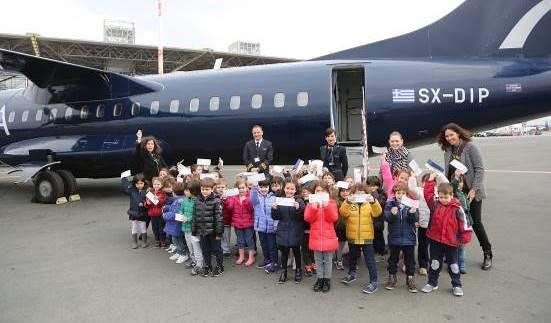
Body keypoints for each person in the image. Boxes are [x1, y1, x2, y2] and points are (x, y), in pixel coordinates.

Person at [438, 122, 493, 270]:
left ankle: (487, 253)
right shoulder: (448, 150)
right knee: (454, 224)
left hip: (471, 192)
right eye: (447, 136)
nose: (449, 138)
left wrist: (474, 189)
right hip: (455, 191)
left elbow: (480, 170)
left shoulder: (470, 147)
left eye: (451, 135)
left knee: (475, 223)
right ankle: (453, 255)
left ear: (458, 133)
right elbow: (448, 172)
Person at [422, 174, 472, 297]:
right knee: (434, 263)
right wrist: (430, 180)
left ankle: (457, 285)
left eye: (446, 197)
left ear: (452, 196)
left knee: (453, 265)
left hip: (451, 242)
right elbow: (428, 194)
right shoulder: (435, 204)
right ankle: (432, 282)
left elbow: (465, 224)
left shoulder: (457, 208)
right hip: (435, 240)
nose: (443, 199)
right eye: (441, 197)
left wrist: (464, 238)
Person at [339, 184, 383, 294]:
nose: (359, 195)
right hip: (352, 236)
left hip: (367, 236)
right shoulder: (350, 203)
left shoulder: (369, 204)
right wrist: (348, 201)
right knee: (352, 257)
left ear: (366, 194)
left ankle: (374, 282)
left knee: (370, 261)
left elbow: (378, 212)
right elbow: (343, 213)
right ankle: (351, 274)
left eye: (362, 193)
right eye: (357, 193)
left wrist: (373, 201)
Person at [384, 182, 419, 293]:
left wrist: (412, 213)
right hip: (394, 238)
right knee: (393, 260)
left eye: (403, 193)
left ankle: (410, 279)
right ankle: (392, 277)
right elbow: (386, 218)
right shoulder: (390, 204)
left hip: (409, 239)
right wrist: (392, 214)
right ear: (395, 193)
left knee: (410, 261)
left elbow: (414, 220)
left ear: (407, 194)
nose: (400, 195)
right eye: (398, 193)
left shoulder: (411, 204)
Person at [304, 181, 339, 293]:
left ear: (327, 192)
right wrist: (313, 208)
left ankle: (327, 280)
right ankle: (319, 279)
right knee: (318, 260)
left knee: (328, 260)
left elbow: (333, 218)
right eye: (317, 191)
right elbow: (307, 218)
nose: (320, 193)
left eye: (323, 191)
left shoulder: (331, 203)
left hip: (328, 236)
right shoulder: (311, 204)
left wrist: (327, 206)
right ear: (314, 192)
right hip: (316, 236)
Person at [272, 180, 305, 284]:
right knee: (284, 253)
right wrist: (274, 209)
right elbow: (275, 217)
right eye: (288, 188)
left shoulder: (299, 201)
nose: (289, 191)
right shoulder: (280, 200)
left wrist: (298, 209)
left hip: (295, 229)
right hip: (283, 229)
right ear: (284, 189)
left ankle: (299, 271)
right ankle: (284, 271)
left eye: (292, 189)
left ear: (295, 190)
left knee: (296, 252)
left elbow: (302, 217)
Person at [192, 178, 224, 277]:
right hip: (202, 231)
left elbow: (219, 218)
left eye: (207, 189)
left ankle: (219, 266)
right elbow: (194, 216)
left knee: (217, 249)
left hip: (214, 232)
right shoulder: (197, 200)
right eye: (203, 189)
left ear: (212, 189)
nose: (204, 191)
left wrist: (219, 233)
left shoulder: (216, 201)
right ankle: (208, 266)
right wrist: (194, 231)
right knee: (205, 250)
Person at [223, 179, 255, 267]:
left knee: (249, 240)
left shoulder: (250, 197)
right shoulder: (234, 197)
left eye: (243, 188)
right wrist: (225, 200)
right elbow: (229, 207)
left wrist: (245, 200)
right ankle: (241, 256)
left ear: (247, 188)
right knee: (240, 241)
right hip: (237, 223)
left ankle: (251, 257)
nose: (241, 190)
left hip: (248, 223)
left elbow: (251, 209)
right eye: (239, 188)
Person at [251, 180, 278, 273]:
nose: (263, 189)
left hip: (271, 227)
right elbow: (253, 197)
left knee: (272, 246)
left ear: (269, 188)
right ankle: (267, 259)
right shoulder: (256, 198)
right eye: (261, 187)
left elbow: (276, 213)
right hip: (261, 227)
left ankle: (274, 262)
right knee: (264, 244)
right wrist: (254, 187)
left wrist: (275, 225)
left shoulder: (273, 197)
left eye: (265, 187)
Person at [407, 172, 432, 276]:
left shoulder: (436, 193)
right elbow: (412, 189)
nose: (427, 184)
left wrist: (437, 175)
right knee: (423, 245)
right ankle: (423, 265)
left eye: (430, 182)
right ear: (422, 183)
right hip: (423, 225)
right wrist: (412, 177)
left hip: (434, 225)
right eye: (425, 182)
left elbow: (446, 184)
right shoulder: (420, 193)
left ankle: (434, 265)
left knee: (435, 247)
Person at [180, 180, 204, 276]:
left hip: (194, 229)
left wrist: (188, 219)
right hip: (186, 228)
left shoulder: (198, 201)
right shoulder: (185, 200)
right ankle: (193, 260)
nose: (185, 192)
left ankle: (199, 264)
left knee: (196, 247)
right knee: (190, 246)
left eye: (188, 190)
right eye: (185, 190)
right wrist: (181, 215)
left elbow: (199, 215)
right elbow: (181, 210)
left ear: (194, 191)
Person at [163, 182, 188, 264]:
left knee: (177, 240)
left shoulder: (178, 201)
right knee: (175, 239)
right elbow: (173, 209)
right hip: (176, 224)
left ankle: (183, 254)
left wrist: (165, 215)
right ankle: (179, 252)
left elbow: (174, 213)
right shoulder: (179, 200)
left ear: (174, 192)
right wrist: (167, 207)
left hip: (176, 224)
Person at [121, 173, 148, 249]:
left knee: (143, 227)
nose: (139, 185)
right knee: (134, 227)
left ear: (144, 183)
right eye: (137, 183)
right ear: (134, 183)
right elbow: (125, 188)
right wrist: (123, 178)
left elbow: (150, 201)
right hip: (134, 212)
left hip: (143, 212)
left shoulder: (146, 191)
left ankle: (144, 241)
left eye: (141, 183)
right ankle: (134, 242)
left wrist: (144, 204)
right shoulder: (132, 190)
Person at [451, 170, 471, 274]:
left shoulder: (463, 194)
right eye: (458, 181)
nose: (460, 183)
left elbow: (467, 211)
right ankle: (455, 263)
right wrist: (456, 177)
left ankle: (461, 263)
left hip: (463, 224)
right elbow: (452, 186)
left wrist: (469, 222)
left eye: (461, 181)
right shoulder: (454, 193)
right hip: (455, 223)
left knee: (462, 245)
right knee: (455, 245)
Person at [366, 176, 388, 262]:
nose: (372, 187)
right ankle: (373, 252)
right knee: (370, 238)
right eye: (370, 185)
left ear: (378, 186)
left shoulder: (382, 194)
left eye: (374, 185)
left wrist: (374, 194)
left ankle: (381, 253)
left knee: (378, 237)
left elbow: (381, 202)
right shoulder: (366, 193)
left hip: (378, 220)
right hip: (369, 219)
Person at [144, 177, 167, 248]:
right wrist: (147, 203)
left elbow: (163, 202)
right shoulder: (150, 193)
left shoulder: (163, 193)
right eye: (155, 184)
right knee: (154, 228)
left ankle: (163, 240)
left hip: (160, 214)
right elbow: (146, 203)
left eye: (158, 184)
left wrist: (158, 200)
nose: (156, 186)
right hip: (152, 214)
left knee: (161, 228)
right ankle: (157, 240)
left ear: (162, 185)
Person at [300, 185, 316, 277]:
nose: (305, 193)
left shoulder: (314, 202)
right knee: (305, 248)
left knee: (313, 248)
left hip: (313, 229)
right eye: (303, 192)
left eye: (308, 191)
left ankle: (314, 263)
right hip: (303, 230)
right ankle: (307, 265)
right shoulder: (300, 202)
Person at [215, 179, 232, 257]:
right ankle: (219, 249)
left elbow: (230, 208)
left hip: (226, 220)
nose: (220, 189)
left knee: (226, 236)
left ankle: (226, 250)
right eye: (218, 187)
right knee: (218, 236)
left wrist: (225, 200)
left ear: (226, 188)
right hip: (217, 221)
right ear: (215, 188)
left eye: (223, 187)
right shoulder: (214, 197)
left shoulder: (229, 197)